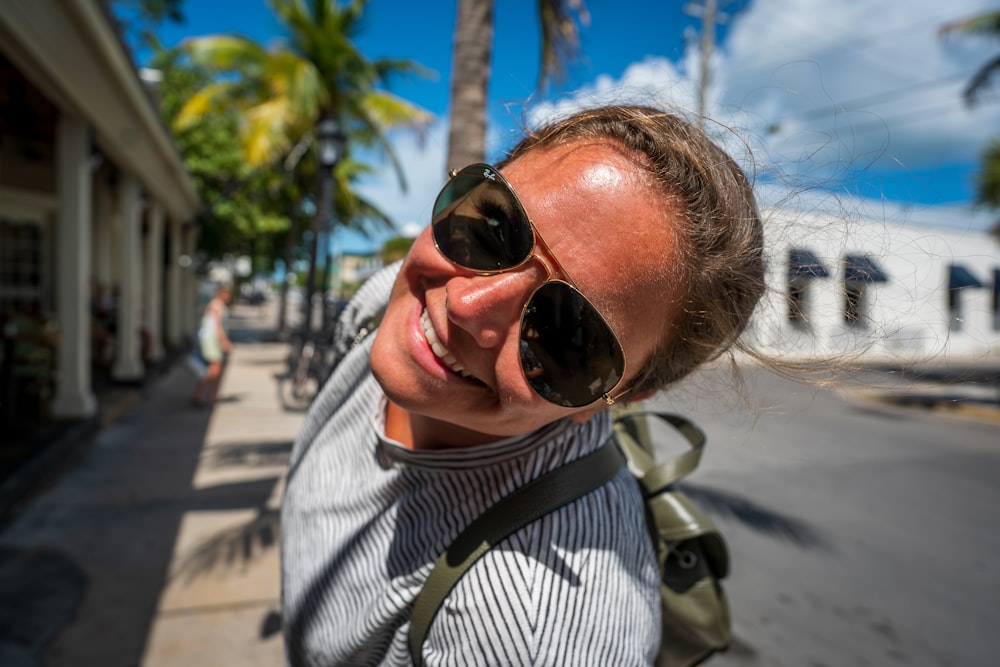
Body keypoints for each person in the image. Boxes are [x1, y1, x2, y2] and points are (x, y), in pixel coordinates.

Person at [281, 104, 765, 665]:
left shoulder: (532, 635)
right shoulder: (387, 301)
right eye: (491, 229)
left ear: (623, 397)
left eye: (565, 335)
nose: (464, 304)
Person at [191, 284, 233, 407]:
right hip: (212, 341)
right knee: (213, 369)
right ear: (221, 294)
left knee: (217, 369)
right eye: (227, 294)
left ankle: (212, 395)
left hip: (213, 340)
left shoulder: (218, 305)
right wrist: (223, 341)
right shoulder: (216, 305)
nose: (228, 297)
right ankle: (200, 394)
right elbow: (217, 326)